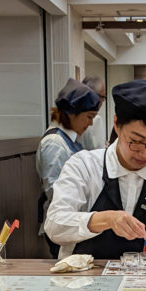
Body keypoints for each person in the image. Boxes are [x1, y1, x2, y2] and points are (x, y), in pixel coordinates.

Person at [44, 79, 146, 259]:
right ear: (117, 125)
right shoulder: (83, 165)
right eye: (136, 142)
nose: (145, 154)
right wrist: (107, 219)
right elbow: (54, 226)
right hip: (83, 282)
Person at [36, 78, 102, 256]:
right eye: (88, 117)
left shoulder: (71, 140)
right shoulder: (55, 143)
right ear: (72, 113)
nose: (90, 124)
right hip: (63, 223)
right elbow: (55, 190)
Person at [80, 76, 107, 150]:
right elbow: (98, 150)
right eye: (103, 97)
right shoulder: (95, 120)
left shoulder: (77, 115)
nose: (103, 101)